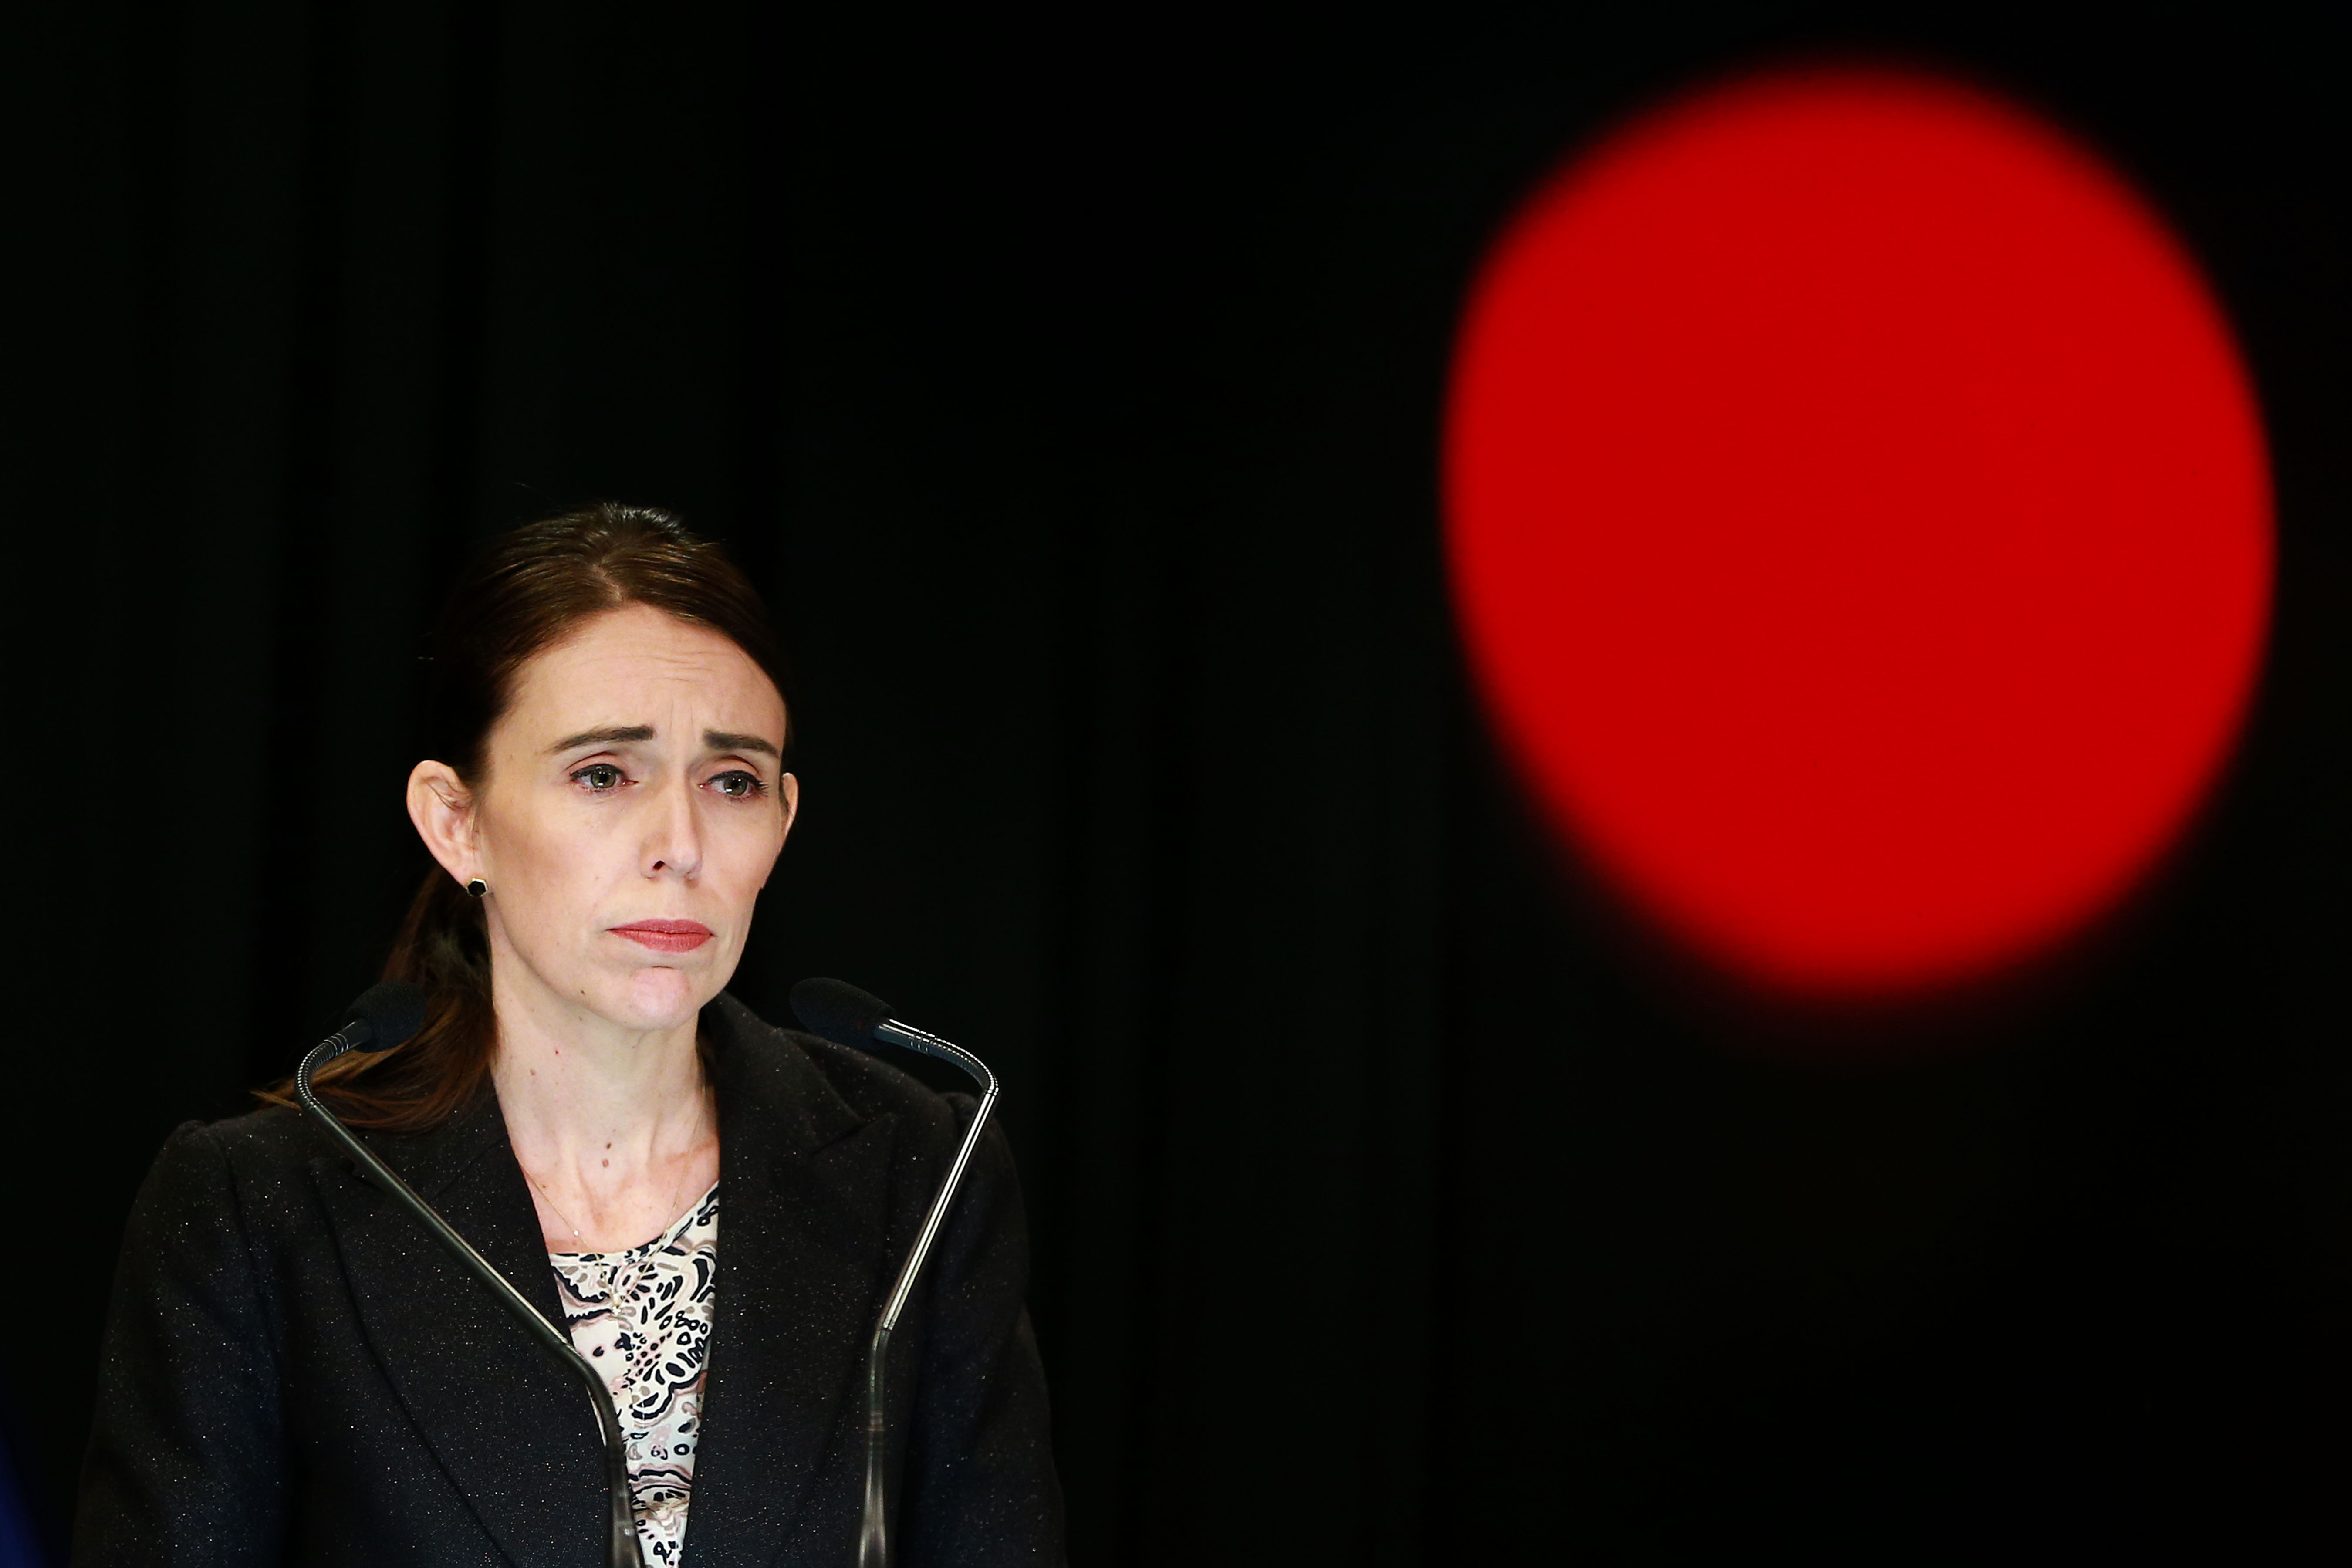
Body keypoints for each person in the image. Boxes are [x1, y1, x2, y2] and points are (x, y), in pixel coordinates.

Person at [74, 506, 1063, 1567]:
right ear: (456, 821)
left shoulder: (924, 1169)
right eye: (604, 774)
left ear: (781, 820)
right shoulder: (258, 1204)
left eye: (730, 782)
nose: (679, 845)